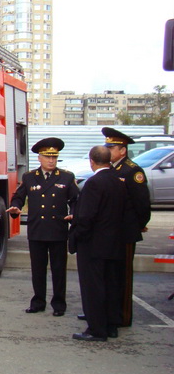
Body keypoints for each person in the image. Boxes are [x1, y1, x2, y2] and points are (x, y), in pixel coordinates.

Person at [7, 137, 78, 316]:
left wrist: (75, 213)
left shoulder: (67, 177)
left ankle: (59, 304)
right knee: (38, 269)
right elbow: (19, 196)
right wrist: (15, 207)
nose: (51, 160)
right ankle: (38, 302)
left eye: (54, 157)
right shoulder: (30, 177)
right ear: (39, 158)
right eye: (48, 157)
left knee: (58, 270)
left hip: (57, 230)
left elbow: (76, 199)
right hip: (37, 229)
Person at [68, 146, 127, 341]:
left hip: (94, 244)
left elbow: (87, 216)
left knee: (93, 287)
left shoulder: (94, 183)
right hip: (114, 243)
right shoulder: (118, 181)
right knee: (111, 285)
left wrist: (77, 235)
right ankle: (111, 325)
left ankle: (96, 329)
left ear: (92, 161)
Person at [102, 127, 152, 327]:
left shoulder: (133, 171)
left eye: (111, 148)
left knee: (123, 276)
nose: (108, 151)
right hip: (112, 232)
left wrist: (140, 225)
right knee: (110, 275)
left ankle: (123, 316)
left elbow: (142, 204)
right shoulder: (112, 169)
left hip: (126, 232)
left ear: (122, 150)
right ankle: (107, 312)